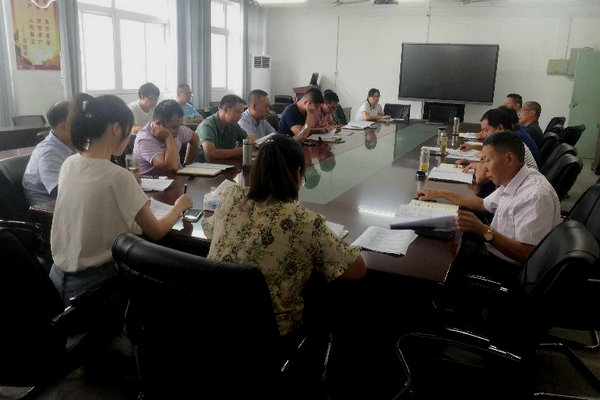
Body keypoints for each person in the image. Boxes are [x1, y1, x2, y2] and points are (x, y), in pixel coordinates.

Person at [202, 133, 365, 338]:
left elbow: (211, 232)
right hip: (272, 340)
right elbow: (356, 270)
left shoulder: (230, 196)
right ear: (298, 174)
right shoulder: (304, 221)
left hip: (214, 325)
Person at [50, 93, 192, 306]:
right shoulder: (118, 176)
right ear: (116, 128)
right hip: (96, 285)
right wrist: (178, 207)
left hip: (55, 279)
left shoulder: (69, 163)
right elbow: (156, 231)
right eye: (128, 129)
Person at [418, 131, 560, 274]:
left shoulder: (535, 196)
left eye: (487, 160)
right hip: (497, 249)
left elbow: (527, 254)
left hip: (508, 269)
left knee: (436, 259)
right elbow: (482, 204)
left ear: (509, 159)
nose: (484, 168)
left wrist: (483, 230)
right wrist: (440, 193)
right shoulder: (515, 178)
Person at [460, 108, 538, 185]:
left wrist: (477, 165)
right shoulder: (508, 138)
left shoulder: (507, 143)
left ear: (500, 128)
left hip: (525, 187)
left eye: (486, 130)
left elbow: (480, 178)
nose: (483, 134)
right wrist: (472, 162)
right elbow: (487, 165)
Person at [22, 100, 75, 206]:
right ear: (64, 127)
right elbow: (62, 192)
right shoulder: (48, 153)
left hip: (68, 204)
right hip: (49, 209)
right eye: (80, 122)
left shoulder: (72, 145)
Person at [133, 99, 199, 175]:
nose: (179, 131)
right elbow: (171, 168)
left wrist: (187, 165)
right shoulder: (145, 139)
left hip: (174, 178)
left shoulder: (178, 128)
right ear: (158, 124)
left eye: (179, 126)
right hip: (152, 181)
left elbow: (195, 138)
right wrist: (169, 137)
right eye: (174, 127)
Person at [195, 94, 256, 162]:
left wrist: (252, 142)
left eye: (241, 113)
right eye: (237, 112)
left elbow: (247, 139)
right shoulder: (207, 126)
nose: (240, 116)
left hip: (224, 164)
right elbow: (211, 154)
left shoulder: (233, 124)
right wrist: (244, 150)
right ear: (225, 109)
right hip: (203, 166)